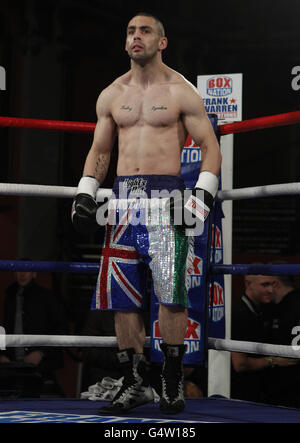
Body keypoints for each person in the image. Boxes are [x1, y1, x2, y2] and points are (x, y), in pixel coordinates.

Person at [72, 12, 221, 415]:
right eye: (131, 32)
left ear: (162, 42)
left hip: (165, 199)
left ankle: (171, 381)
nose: (136, 37)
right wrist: (85, 192)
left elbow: (210, 147)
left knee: (171, 293)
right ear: (125, 42)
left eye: (145, 31)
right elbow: (101, 151)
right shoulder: (111, 94)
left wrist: (202, 196)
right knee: (123, 296)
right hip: (121, 201)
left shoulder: (180, 91)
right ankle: (133, 381)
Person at [231, 273, 297, 404]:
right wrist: (275, 360)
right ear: (248, 284)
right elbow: (240, 364)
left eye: (273, 284)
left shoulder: (263, 309)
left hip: (259, 390)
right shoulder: (239, 313)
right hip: (240, 393)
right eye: (265, 285)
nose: (270, 290)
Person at [0, 267, 66, 397]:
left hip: (41, 366)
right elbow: (5, 327)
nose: (22, 274)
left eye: (27, 270)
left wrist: (41, 353)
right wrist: (3, 354)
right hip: (12, 366)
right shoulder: (10, 296)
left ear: (34, 273)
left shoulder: (46, 297)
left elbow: (61, 328)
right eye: (19, 270)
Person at [265, 271, 300, 408]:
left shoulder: (287, 307)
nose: (266, 290)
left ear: (275, 283)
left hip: (287, 385)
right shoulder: (277, 306)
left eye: (267, 283)